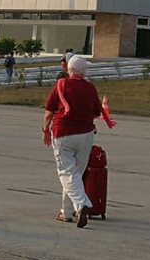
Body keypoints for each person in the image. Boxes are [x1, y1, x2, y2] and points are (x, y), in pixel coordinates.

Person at [42, 55, 104, 227]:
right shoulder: (90, 88)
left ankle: (82, 204)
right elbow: (97, 112)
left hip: (63, 133)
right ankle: (67, 212)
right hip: (85, 135)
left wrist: (45, 130)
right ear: (83, 71)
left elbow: (48, 112)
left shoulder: (61, 85)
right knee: (75, 174)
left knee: (67, 173)